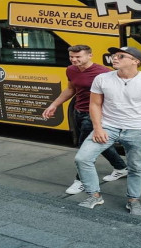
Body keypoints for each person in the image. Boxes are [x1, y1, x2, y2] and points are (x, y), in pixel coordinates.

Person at [74, 46, 141, 216]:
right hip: (108, 126)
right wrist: (98, 128)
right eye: (114, 56)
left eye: (121, 56)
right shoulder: (102, 78)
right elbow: (95, 104)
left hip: (137, 129)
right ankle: (94, 195)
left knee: (136, 167)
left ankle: (133, 200)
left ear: (135, 61)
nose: (114, 58)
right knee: (82, 158)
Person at [42, 45, 128, 195]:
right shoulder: (71, 70)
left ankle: (81, 180)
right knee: (100, 142)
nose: (74, 60)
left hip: (95, 114)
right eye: (71, 57)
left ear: (90, 56)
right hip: (78, 112)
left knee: (84, 149)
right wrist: (54, 105)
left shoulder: (103, 72)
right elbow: (71, 89)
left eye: (78, 57)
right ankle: (121, 167)